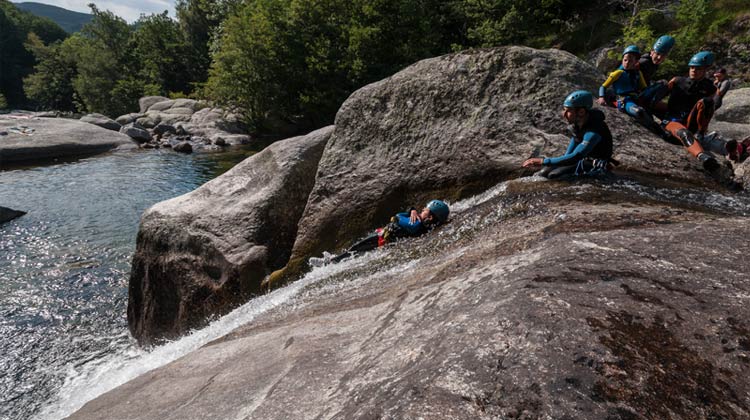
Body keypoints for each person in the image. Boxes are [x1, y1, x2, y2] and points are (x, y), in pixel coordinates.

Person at [309, 199, 450, 266]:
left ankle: (330, 262)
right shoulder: (420, 222)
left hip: (382, 239)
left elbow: (398, 218)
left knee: (356, 248)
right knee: (357, 249)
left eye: (425, 210)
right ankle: (334, 259)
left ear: (430, 217)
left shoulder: (417, 224)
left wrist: (403, 216)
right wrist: (411, 210)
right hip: (383, 237)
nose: (421, 210)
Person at [523, 90, 614, 178]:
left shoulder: (594, 131)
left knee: (554, 175)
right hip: (581, 160)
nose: (564, 114)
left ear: (581, 112)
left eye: (568, 110)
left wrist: (542, 161)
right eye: (564, 109)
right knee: (543, 173)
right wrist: (547, 164)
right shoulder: (577, 125)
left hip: (594, 164)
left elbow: (575, 156)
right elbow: (568, 155)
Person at [597, 45, 653, 127]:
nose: (627, 63)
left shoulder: (638, 73)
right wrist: (601, 97)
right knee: (638, 111)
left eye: (630, 61)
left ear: (636, 62)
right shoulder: (618, 73)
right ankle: (652, 126)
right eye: (625, 60)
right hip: (624, 100)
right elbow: (603, 86)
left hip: (636, 98)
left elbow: (644, 88)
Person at [638, 35, 675, 117]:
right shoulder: (644, 62)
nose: (659, 58)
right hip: (637, 95)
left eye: (663, 56)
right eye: (657, 53)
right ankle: (649, 107)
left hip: (641, 92)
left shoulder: (653, 63)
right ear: (652, 52)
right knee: (664, 83)